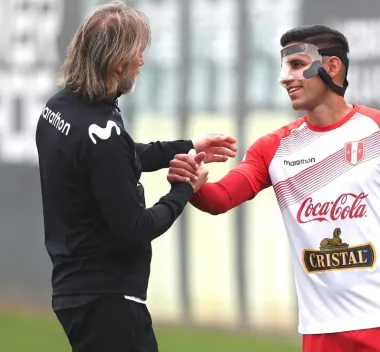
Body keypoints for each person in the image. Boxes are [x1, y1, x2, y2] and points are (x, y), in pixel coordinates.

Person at [176, 25, 380, 352]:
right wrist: (195, 183)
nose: (285, 78)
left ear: (331, 67)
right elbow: (220, 198)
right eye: (284, 67)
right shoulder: (273, 147)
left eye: (297, 65)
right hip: (321, 329)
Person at [35, 1, 235, 352]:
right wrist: (183, 189)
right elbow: (135, 229)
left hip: (77, 290)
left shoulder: (60, 107)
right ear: (116, 64)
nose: (142, 61)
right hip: (109, 301)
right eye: (137, 53)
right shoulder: (102, 133)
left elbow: (114, 160)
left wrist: (186, 145)